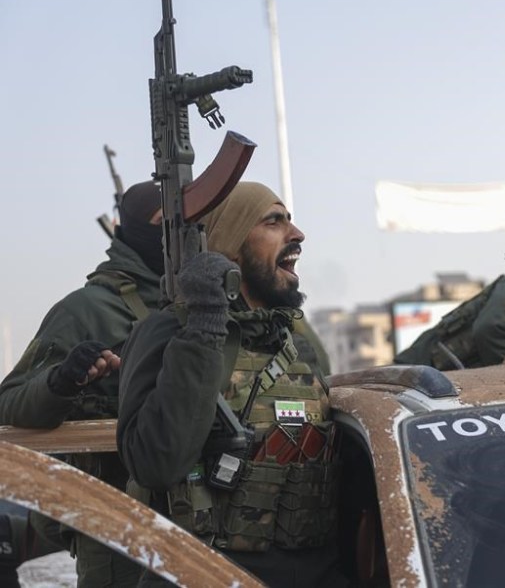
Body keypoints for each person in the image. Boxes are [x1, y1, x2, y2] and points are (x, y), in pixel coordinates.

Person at [116, 182, 339, 587]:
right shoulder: (171, 331)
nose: (297, 234)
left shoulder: (297, 345)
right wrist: (205, 322)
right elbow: (156, 463)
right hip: (206, 575)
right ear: (231, 245)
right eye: (274, 221)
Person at [0, 181, 165, 587]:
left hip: (206, 522)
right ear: (134, 230)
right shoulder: (87, 309)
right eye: (166, 223)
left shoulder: (212, 303)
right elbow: (9, 404)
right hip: (116, 528)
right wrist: (61, 382)